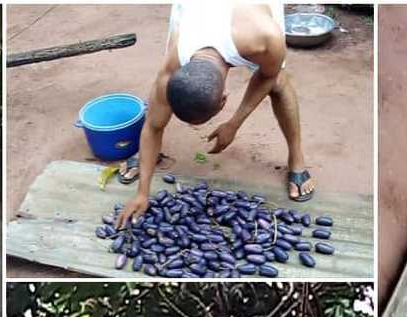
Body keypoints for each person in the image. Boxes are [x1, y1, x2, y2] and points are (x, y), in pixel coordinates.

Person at [115, 1, 315, 229]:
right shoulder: (174, 62)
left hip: (248, 14)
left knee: (278, 81)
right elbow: (152, 126)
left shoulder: (266, 37)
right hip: (197, 9)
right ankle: (149, 156)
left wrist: (234, 123)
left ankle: (297, 159)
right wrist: (143, 193)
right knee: (158, 112)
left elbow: (266, 77)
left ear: (224, 100)